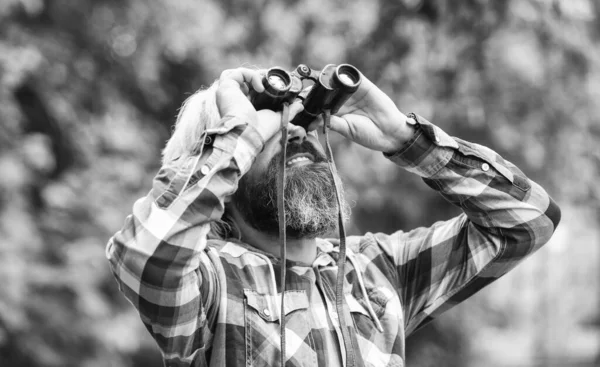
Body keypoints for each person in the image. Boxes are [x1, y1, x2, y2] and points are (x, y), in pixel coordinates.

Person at [106, 67, 561, 367]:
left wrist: (404, 137)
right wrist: (236, 138)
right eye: (268, 124)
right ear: (226, 165)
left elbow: (527, 221)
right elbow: (145, 253)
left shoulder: (376, 272)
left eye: (301, 118)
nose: (296, 131)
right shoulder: (209, 285)